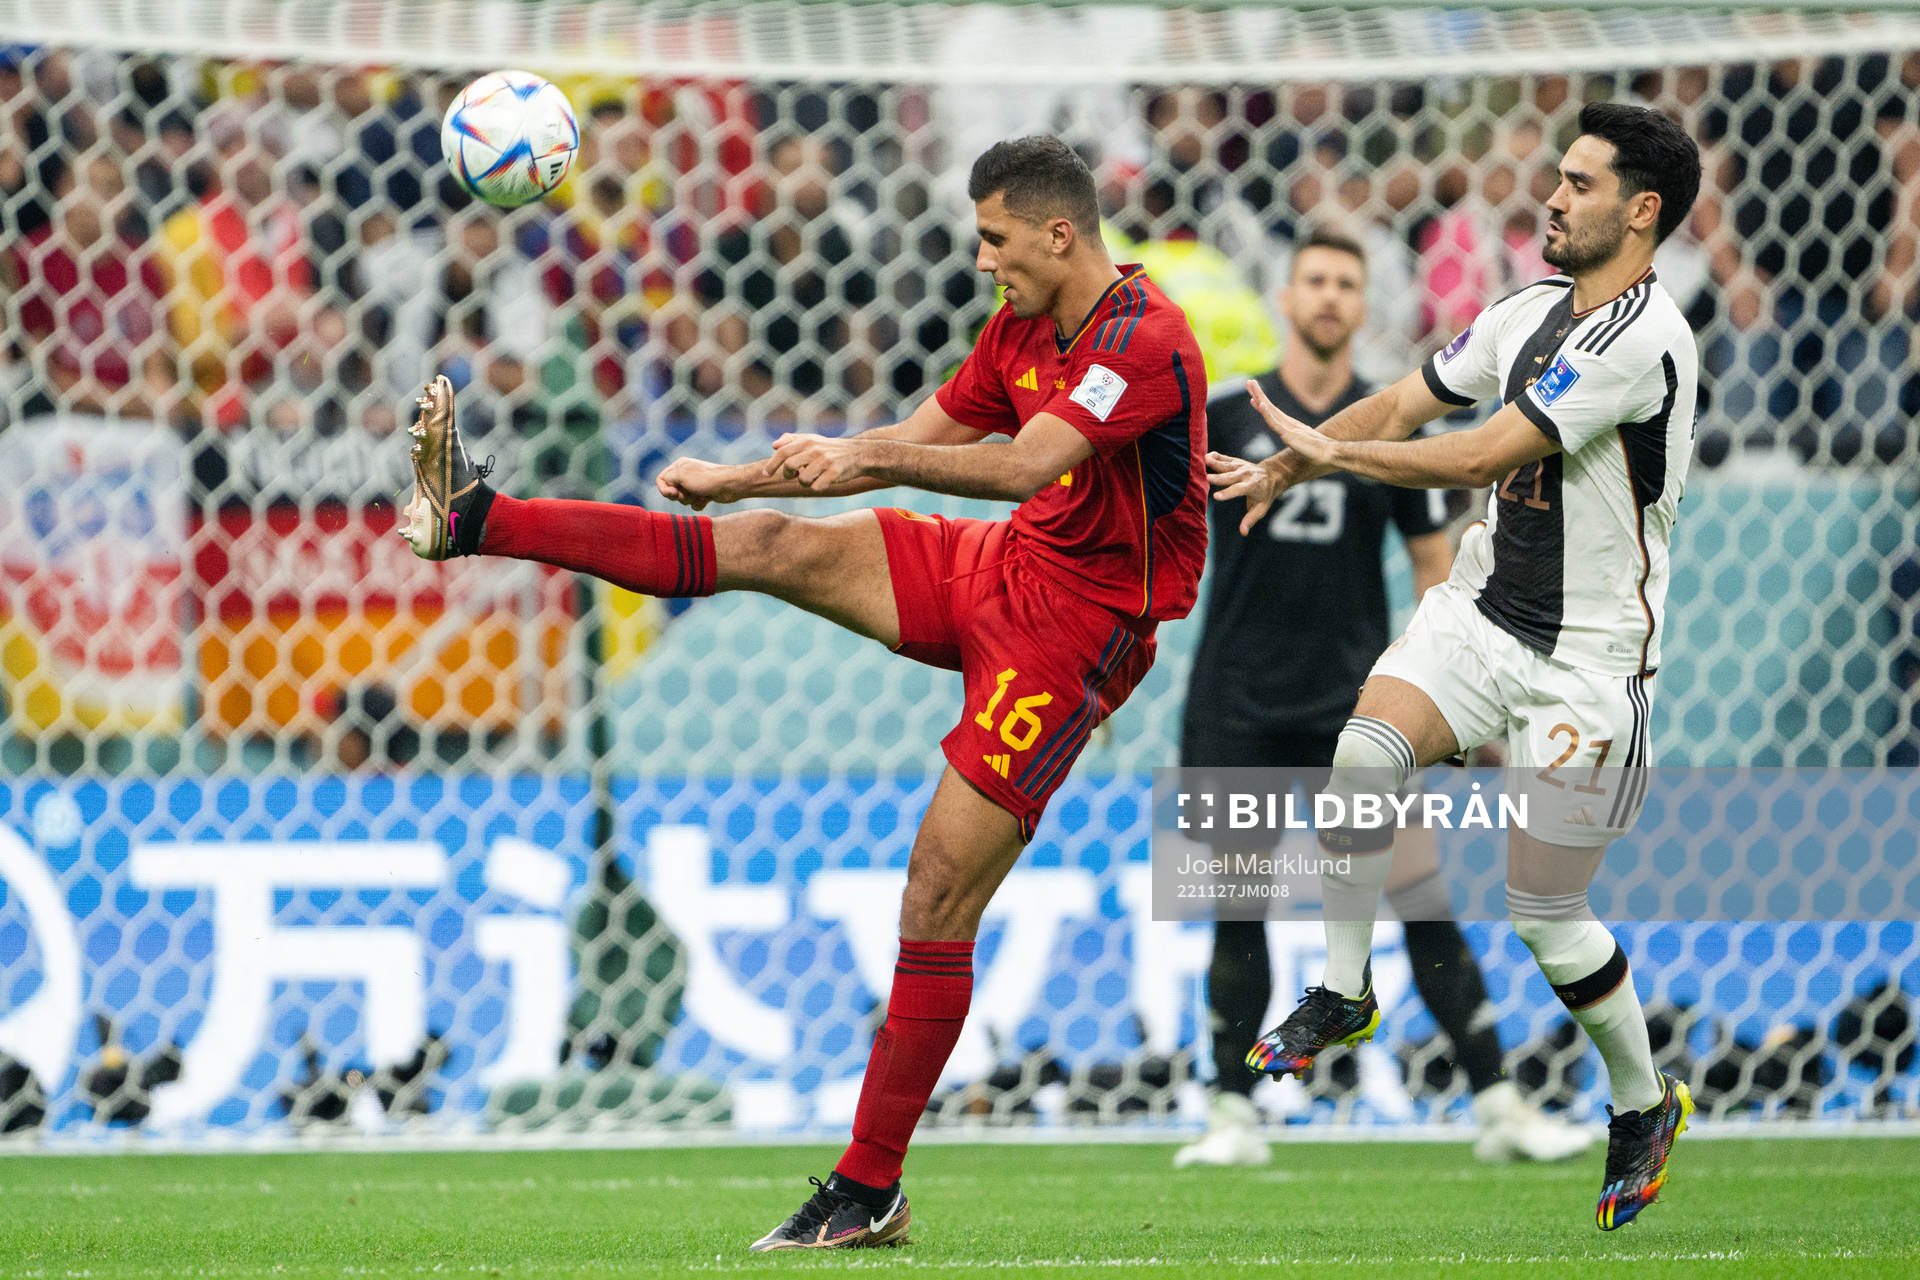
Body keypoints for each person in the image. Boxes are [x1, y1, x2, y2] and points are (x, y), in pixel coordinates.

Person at [398, 135, 1208, 1250]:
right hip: (1007, 566)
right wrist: (744, 480)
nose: (983, 261)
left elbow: (1023, 462)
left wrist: (868, 459)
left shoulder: (1145, 336)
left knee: (934, 894)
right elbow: (905, 443)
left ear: (1058, 233)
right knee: (770, 540)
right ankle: (474, 520)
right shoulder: (1022, 325)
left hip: (1081, 633)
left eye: (996, 239)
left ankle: (868, 1187)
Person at [1209, 102, 1702, 1230]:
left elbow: (1482, 446)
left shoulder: (1643, 338)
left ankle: (1641, 1097)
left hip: (1589, 661)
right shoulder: (1525, 306)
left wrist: (1341, 451)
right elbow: (1415, 398)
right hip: (1481, 612)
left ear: (1640, 211)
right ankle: (1342, 987)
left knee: (1545, 913)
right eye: (1556, 177)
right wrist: (1302, 456)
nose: (1553, 196)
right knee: (1366, 747)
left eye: (1578, 183)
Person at [1174, 227, 1592, 1170]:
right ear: (1286, 297)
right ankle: (1234, 1117)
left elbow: (1435, 575)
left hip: (1354, 709)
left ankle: (1497, 1105)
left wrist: (1453, 699)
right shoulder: (1221, 419)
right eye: (1314, 279)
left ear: (1363, 305)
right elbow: (1165, 547)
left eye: (1345, 283)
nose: (1328, 296)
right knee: (1235, 907)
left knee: (1417, 895)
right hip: (1231, 701)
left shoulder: (1390, 424)